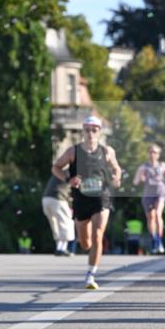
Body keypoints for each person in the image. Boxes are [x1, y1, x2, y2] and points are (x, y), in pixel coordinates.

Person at [51, 115, 122, 290]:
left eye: (94, 130)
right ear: (83, 131)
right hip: (81, 199)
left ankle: (91, 275)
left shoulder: (107, 151)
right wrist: (69, 178)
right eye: (87, 130)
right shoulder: (73, 152)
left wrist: (116, 177)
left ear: (99, 132)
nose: (90, 133)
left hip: (101, 196)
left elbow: (116, 168)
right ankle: (89, 253)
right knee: (86, 242)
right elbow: (55, 167)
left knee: (98, 234)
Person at [133, 144, 165, 254]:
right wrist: (140, 178)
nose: (153, 154)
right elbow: (135, 182)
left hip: (160, 192)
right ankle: (153, 239)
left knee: (157, 214)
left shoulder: (162, 165)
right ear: (148, 153)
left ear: (158, 155)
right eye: (151, 152)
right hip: (148, 195)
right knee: (151, 218)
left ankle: (159, 240)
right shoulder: (143, 167)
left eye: (155, 152)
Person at [42, 173, 75, 256]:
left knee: (55, 225)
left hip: (46, 199)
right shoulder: (73, 172)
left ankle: (58, 248)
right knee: (66, 223)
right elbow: (72, 192)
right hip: (58, 199)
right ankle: (62, 249)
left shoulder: (58, 171)